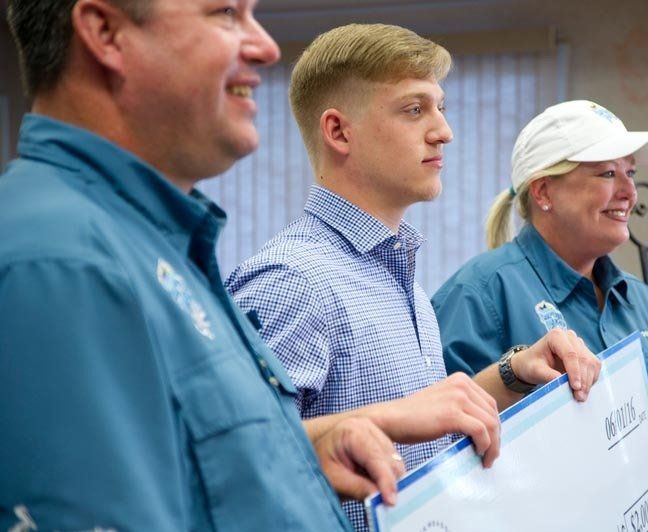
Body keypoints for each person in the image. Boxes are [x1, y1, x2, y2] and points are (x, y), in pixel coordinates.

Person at [0, 1, 407, 530]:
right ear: (105, 33)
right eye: (226, 13)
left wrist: (290, 460)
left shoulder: (153, 244)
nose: (266, 47)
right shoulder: (61, 264)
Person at [226, 24, 601, 530]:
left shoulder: (399, 279)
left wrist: (515, 371)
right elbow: (236, 468)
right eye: (413, 109)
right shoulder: (293, 281)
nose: (444, 130)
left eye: (440, 107)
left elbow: (424, 421)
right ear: (339, 132)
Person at [431, 99, 648, 530]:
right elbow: (442, 467)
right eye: (607, 173)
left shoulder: (640, 300)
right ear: (544, 192)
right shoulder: (477, 297)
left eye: (631, 173)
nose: (630, 192)